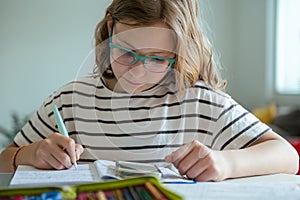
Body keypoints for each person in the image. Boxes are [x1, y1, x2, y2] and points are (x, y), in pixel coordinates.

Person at [0, 0, 298, 182]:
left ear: (179, 52)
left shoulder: (201, 103)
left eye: (156, 58)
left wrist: (226, 162)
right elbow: (4, 159)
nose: (138, 71)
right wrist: (29, 153)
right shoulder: (68, 102)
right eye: (127, 53)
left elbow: (287, 156)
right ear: (109, 31)